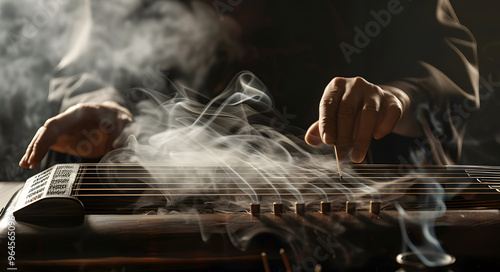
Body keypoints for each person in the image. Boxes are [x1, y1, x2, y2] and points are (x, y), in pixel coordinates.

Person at [19, 0, 479, 169]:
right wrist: (100, 106)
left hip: (350, 210)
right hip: (162, 211)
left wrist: (395, 99)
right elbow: (87, 69)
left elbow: (443, 66)